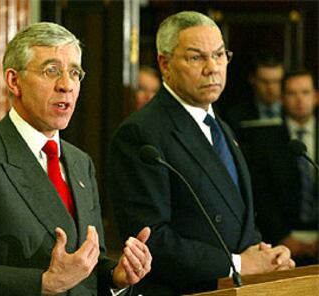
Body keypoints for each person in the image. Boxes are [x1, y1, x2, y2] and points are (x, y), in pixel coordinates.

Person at [0, 22, 152, 296]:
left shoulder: (81, 163)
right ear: (14, 81)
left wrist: (116, 277)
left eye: (74, 73)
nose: (66, 85)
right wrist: (44, 284)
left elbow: (88, 266)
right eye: (51, 71)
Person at [108, 11, 294, 295]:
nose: (213, 68)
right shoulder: (141, 134)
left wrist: (264, 254)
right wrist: (238, 264)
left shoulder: (222, 128)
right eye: (196, 58)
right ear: (165, 64)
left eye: (219, 55)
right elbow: (152, 241)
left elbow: (238, 217)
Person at [241, 69, 318, 266]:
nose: (299, 99)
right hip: (280, 242)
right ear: (282, 98)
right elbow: (261, 195)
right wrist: (283, 236)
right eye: (292, 93)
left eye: (305, 92)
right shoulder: (265, 141)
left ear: (316, 96)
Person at [222, 52, 285, 132]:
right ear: (252, 79)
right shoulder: (235, 116)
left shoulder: (295, 111)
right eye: (264, 82)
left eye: (276, 81)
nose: (270, 88)